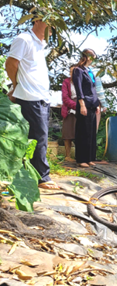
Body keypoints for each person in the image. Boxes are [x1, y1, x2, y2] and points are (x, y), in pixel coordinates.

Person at [5, 17, 60, 189]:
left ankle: (30, 175)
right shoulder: (24, 39)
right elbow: (11, 63)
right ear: (36, 21)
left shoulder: (39, 45)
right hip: (29, 97)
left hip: (40, 97)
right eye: (49, 25)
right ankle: (42, 178)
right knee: (39, 137)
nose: (51, 30)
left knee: (35, 138)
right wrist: (16, 86)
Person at [72, 49, 100, 168]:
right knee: (83, 132)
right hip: (84, 104)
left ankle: (89, 158)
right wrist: (82, 104)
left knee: (91, 132)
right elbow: (79, 88)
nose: (93, 59)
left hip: (93, 104)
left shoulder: (90, 71)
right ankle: (81, 159)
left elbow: (93, 89)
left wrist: (97, 104)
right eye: (92, 56)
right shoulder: (78, 70)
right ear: (87, 57)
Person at [61, 64, 77, 162]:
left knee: (79, 132)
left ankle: (80, 156)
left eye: (74, 72)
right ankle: (67, 155)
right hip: (69, 108)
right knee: (68, 132)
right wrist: (75, 106)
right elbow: (65, 97)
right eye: (70, 72)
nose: (72, 74)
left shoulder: (83, 82)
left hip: (81, 107)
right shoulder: (66, 82)